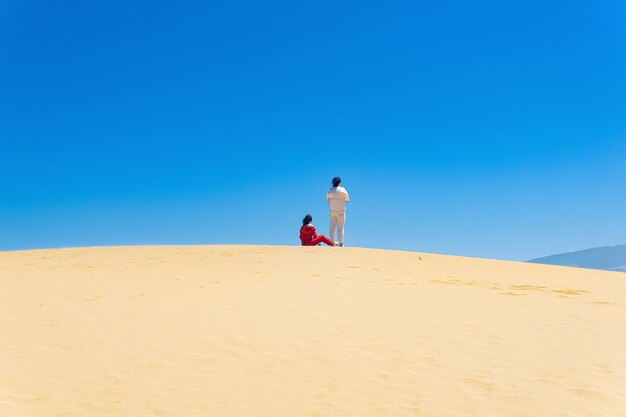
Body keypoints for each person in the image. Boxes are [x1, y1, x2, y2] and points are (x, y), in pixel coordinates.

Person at [326, 176, 349, 247]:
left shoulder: (329, 191)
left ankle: (332, 242)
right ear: (339, 182)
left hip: (332, 211)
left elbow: (328, 201)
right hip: (341, 211)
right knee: (340, 228)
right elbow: (347, 199)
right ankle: (341, 243)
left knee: (332, 227)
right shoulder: (342, 190)